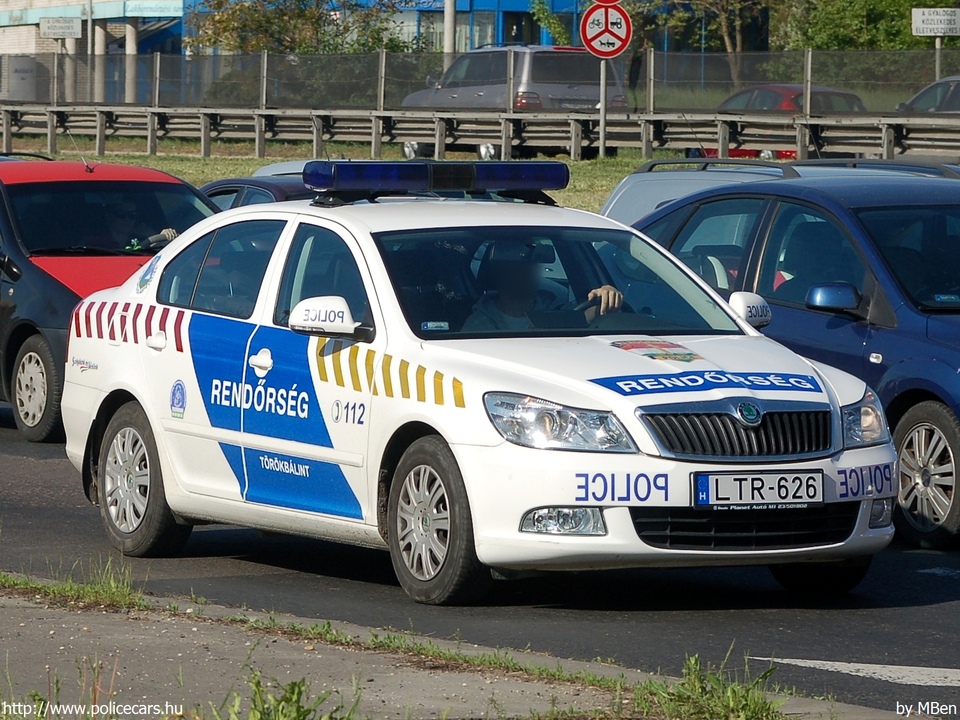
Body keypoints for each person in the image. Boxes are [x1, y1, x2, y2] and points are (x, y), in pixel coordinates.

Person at [462, 246, 622, 332]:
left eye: (530, 264)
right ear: (498, 274)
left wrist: (606, 296)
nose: (526, 270)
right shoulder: (479, 324)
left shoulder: (556, 309)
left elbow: (587, 316)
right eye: (516, 266)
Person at [105, 201, 178, 250]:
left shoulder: (140, 237)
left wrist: (163, 236)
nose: (127, 219)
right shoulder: (98, 242)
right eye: (121, 214)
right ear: (109, 216)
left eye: (132, 215)